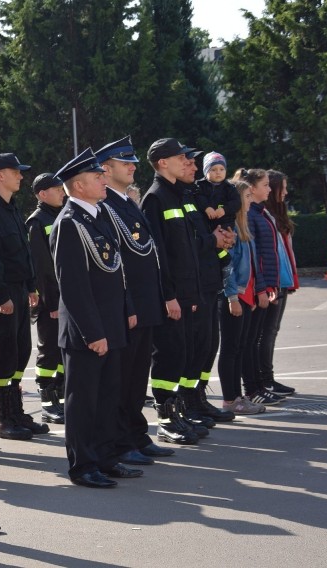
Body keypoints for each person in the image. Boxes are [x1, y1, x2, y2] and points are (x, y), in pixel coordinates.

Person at [49, 148, 142, 488]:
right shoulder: (70, 223)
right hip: (88, 332)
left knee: (107, 397)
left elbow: (116, 269)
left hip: (111, 324)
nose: (104, 180)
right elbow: (72, 286)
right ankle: (83, 465)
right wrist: (93, 332)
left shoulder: (98, 215)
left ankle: (105, 457)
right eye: (96, 177)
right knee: (83, 401)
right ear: (78, 185)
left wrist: (127, 308)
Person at [141, 139, 230, 445]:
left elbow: (188, 247)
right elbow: (158, 254)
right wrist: (168, 295)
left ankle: (182, 408)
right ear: (163, 162)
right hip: (175, 295)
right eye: (182, 158)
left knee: (188, 352)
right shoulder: (155, 198)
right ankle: (166, 419)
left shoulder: (178, 195)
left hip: (193, 291)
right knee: (170, 356)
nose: (189, 163)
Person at [94, 136, 174, 463]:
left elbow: (146, 254)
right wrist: (129, 305)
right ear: (105, 168)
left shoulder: (126, 202)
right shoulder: (106, 206)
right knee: (123, 380)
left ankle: (137, 435)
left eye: (132, 162)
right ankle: (121, 441)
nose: (132, 167)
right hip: (129, 308)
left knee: (138, 377)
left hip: (145, 304)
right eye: (124, 162)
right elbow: (117, 264)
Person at [0, 153, 44, 440]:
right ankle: (3, 418)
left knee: (19, 353)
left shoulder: (11, 209)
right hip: (2, 296)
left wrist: (30, 286)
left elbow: (22, 254)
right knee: (3, 357)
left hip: (18, 290)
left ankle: (17, 412)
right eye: (16, 172)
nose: (21, 177)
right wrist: (2, 295)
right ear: (0, 176)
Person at [179, 151, 236, 428]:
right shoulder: (178, 197)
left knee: (208, 345)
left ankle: (198, 397)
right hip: (193, 286)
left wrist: (225, 242)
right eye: (187, 162)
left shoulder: (190, 195)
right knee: (194, 347)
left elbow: (207, 238)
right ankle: (185, 403)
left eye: (192, 162)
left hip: (209, 281)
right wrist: (213, 241)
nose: (191, 166)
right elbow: (184, 246)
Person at [236, 168, 284, 407]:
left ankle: (258, 386)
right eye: (265, 185)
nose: (269, 189)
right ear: (251, 188)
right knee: (250, 341)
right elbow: (255, 259)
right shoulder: (251, 216)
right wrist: (262, 288)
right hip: (255, 288)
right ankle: (253, 388)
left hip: (265, 285)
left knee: (253, 339)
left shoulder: (259, 212)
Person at [218, 179, 266, 415]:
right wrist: (232, 297)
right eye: (246, 196)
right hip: (234, 297)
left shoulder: (243, 227)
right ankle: (229, 400)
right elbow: (226, 266)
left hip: (245, 297)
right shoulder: (229, 229)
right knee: (231, 348)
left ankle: (238, 397)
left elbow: (251, 267)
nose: (249, 200)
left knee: (239, 347)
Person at [25, 172, 66, 425]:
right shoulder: (37, 221)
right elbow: (42, 268)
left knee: (62, 351)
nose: (62, 192)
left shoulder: (59, 215)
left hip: (65, 298)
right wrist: (51, 303)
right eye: (57, 189)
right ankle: (47, 400)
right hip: (52, 301)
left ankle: (60, 395)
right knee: (49, 350)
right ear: (42, 194)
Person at [258, 170, 298, 397]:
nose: (285, 191)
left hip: (280, 280)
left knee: (272, 330)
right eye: (282, 187)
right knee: (267, 332)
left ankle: (268, 378)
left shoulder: (275, 214)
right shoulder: (264, 215)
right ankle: (264, 380)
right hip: (272, 282)